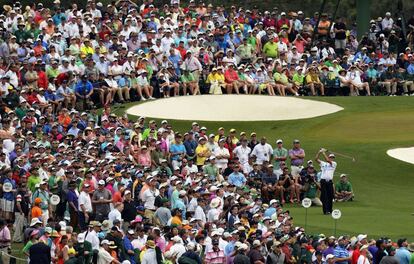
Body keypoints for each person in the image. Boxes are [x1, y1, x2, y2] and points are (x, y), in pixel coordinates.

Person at [315, 149, 337, 215]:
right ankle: (326, 211)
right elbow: (316, 159)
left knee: (330, 196)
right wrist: (319, 152)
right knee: (325, 196)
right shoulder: (323, 163)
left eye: (333, 158)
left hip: (329, 182)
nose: (332, 158)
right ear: (329, 157)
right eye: (331, 157)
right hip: (323, 181)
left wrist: (323, 153)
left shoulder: (334, 163)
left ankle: (330, 209)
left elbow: (328, 160)